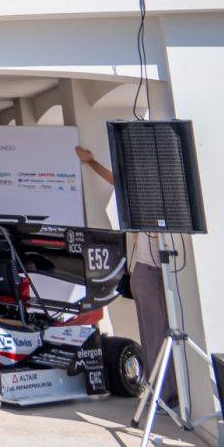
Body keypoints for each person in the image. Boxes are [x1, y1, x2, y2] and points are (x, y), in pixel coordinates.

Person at [76, 145, 174, 405]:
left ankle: (165, 393)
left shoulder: (163, 197)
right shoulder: (142, 195)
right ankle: (163, 395)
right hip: (147, 271)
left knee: (161, 334)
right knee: (154, 334)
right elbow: (116, 182)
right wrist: (91, 162)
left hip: (159, 271)